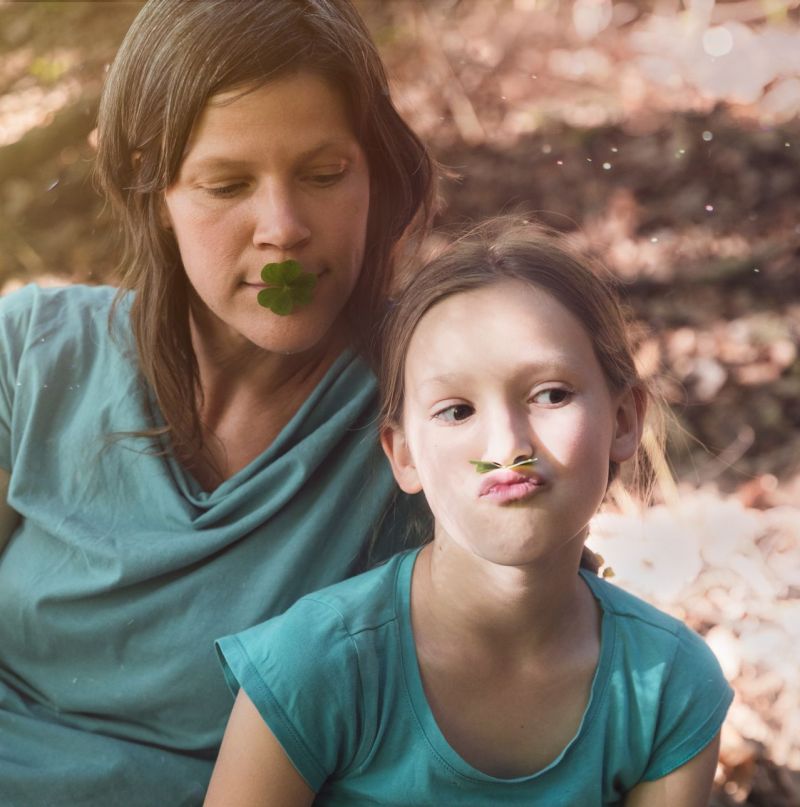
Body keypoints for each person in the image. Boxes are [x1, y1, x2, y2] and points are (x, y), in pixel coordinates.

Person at [0, 1, 435, 804]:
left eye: (324, 174)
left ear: (375, 169)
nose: (284, 228)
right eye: (227, 184)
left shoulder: (433, 407)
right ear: (151, 187)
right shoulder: (28, 357)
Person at [208, 219, 734, 806]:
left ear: (625, 420)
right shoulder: (319, 665)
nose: (506, 446)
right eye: (456, 410)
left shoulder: (668, 686)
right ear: (403, 454)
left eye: (551, 394)